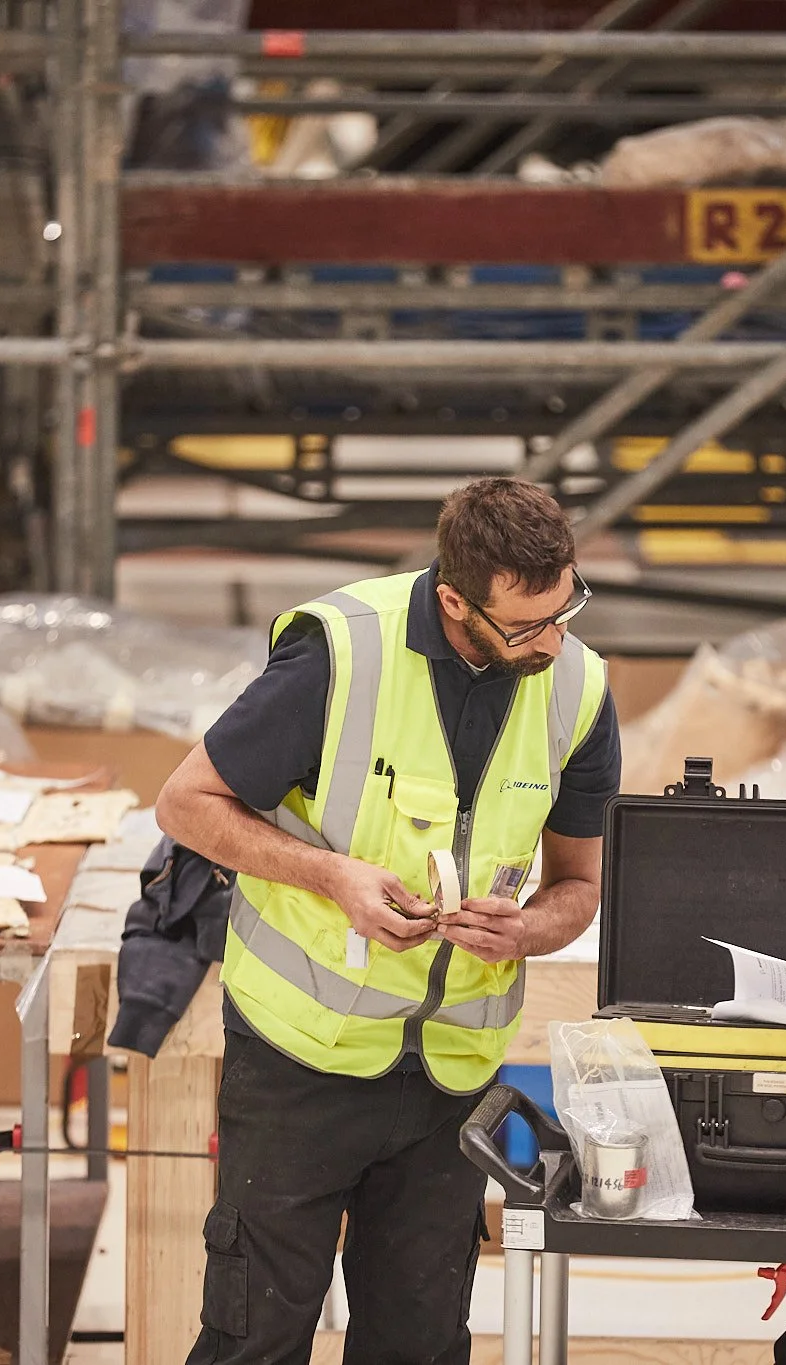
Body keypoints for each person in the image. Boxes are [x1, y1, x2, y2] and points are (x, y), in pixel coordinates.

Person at [155, 477, 620, 1365]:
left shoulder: (579, 691)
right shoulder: (340, 656)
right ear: (454, 599)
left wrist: (525, 931)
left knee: (418, 1345)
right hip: (301, 1058)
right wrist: (332, 875)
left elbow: (580, 887)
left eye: (568, 609)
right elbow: (186, 805)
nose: (555, 642)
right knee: (255, 1337)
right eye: (527, 627)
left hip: (452, 1083)